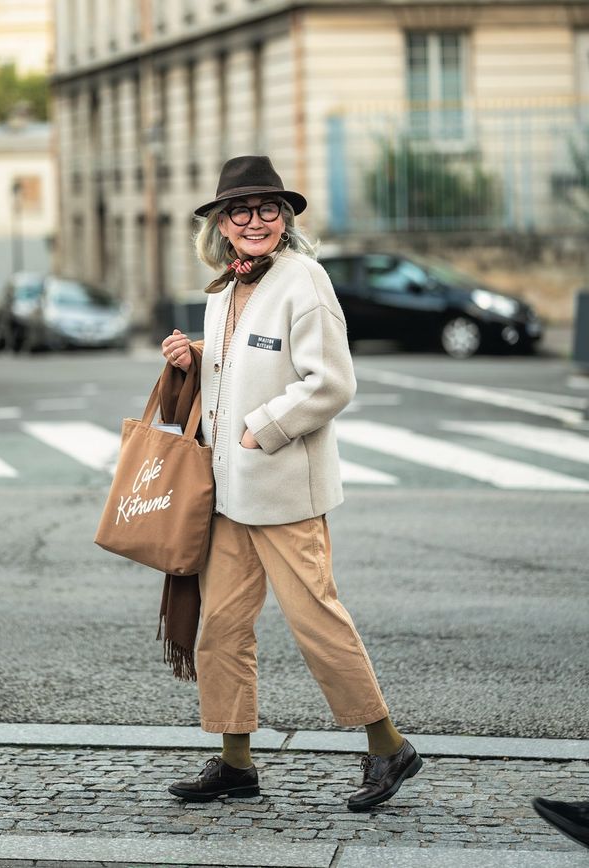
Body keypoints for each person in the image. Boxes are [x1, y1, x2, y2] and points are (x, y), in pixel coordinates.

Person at [159, 155, 422, 810]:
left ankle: (389, 747)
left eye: (267, 209)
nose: (255, 221)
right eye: (240, 211)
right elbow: (243, 364)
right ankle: (236, 763)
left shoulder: (306, 281)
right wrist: (195, 358)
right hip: (227, 492)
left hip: (282, 489)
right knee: (220, 628)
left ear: (285, 219)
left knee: (317, 622)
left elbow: (332, 382)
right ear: (221, 224)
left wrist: (263, 428)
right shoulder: (223, 290)